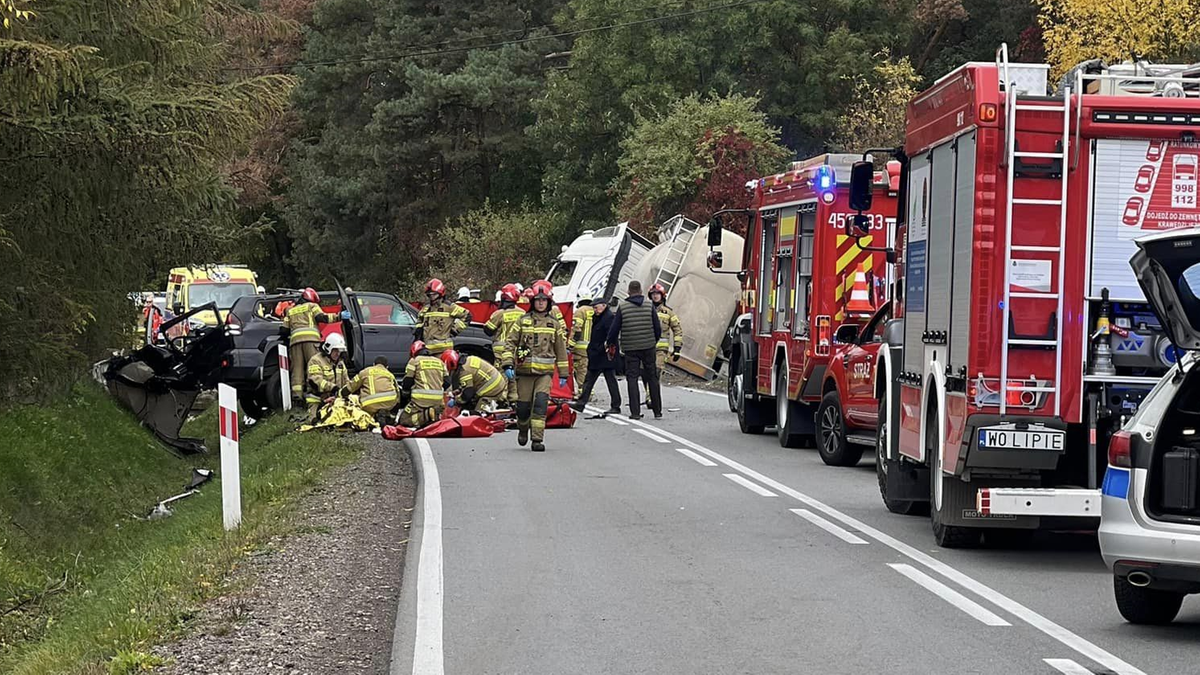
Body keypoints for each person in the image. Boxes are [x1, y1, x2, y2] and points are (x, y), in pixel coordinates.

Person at [504, 280, 569, 451]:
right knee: (523, 408)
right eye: (538, 300)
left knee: (540, 405)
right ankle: (523, 428)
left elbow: (561, 349)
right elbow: (510, 343)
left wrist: (564, 373)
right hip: (524, 372)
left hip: (544, 374)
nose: (541, 303)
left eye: (544, 300)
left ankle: (537, 439)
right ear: (533, 302)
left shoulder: (553, 324)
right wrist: (507, 364)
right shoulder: (522, 321)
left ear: (548, 302)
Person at [606, 280, 662, 420]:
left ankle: (635, 412)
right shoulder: (649, 306)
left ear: (628, 292)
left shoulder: (623, 307)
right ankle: (657, 410)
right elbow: (657, 328)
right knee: (652, 377)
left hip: (630, 348)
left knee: (632, 378)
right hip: (648, 347)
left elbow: (614, 329)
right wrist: (652, 341)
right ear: (641, 291)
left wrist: (610, 343)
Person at [284, 287, 347, 403]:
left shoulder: (290, 310)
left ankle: (297, 397)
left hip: (295, 343)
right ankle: (314, 394)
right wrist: (339, 316)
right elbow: (322, 318)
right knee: (314, 366)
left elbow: (284, 329)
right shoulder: (312, 306)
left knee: (297, 370)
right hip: (311, 340)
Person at [571, 297, 621, 414]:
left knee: (607, 380)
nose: (594, 310)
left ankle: (615, 405)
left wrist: (603, 348)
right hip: (598, 354)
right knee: (591, 379)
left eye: (596, 307)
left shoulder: (608, 318)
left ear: (603, 305)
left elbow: (610, 336)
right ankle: (581, 403)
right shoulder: (599, 317)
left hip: (604, 354)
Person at [483, 283, 525, 404]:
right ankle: (513, 400)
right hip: (517, 350)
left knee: (501, 376)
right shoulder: (522, 313)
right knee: (513, 376)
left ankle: (501, 400)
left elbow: (488, 330)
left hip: (502, 350)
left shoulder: (500, 313)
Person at [399, 340, 449, 428]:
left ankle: (427, 415)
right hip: (438, 400)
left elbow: (408, 380)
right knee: (429, 421)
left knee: (404, 420)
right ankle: (431, 414)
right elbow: (447, 382)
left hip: (420, 399)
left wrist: (405, 393)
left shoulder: (414, 361)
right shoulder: (439, 362)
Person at [416, 278, 469, 355]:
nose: (432, 297)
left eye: (434, 294)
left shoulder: (449, 307)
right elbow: (420, 320)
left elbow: (467, 316)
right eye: (429, 295)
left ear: (440, 293)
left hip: (443, 350)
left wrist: (454, 330)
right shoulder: (426, 308)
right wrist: (419, 331)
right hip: (428, 350)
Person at [340, 355, 399, 425]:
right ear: (387, 367)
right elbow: (398, 393)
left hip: (369, 403)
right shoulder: (390, 374)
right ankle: (386, 416)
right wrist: (393, 414)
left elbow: (351, 386)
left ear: (373, 364)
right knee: (393, 401)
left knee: (359, 402)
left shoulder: (365, 372)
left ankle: (373, 416)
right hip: (389, 402)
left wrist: (341, 394)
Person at [305, 333, 350, 421]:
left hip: (335, 399)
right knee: (316, 421)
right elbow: (315, 381)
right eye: (335, 350)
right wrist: (333, 388)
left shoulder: (340, 363)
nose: (338, 353)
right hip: (317, 399)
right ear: (328, 349)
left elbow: (346, 380)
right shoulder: (315, 360)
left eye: (339, 351)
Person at [649, 282, 684, 388]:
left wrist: (677, 348)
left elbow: (677, 330)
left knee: (657, 370)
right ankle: (649, 394)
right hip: (646, 348)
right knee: (646, 373)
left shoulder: (669, 313)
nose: (655, 296)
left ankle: (652, 397)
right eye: (653, 294)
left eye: (657, 293)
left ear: (662, 295)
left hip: (661, 350)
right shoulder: (646, 310)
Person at [569, 295, 595, 394]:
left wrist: (570, 345)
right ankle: (588, 391)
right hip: (592, 347)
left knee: (580, 370)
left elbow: (576, 330)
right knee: (587, 370)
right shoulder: (594, 310)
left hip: (580, 349)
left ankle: (584, 392)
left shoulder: (580, 311)